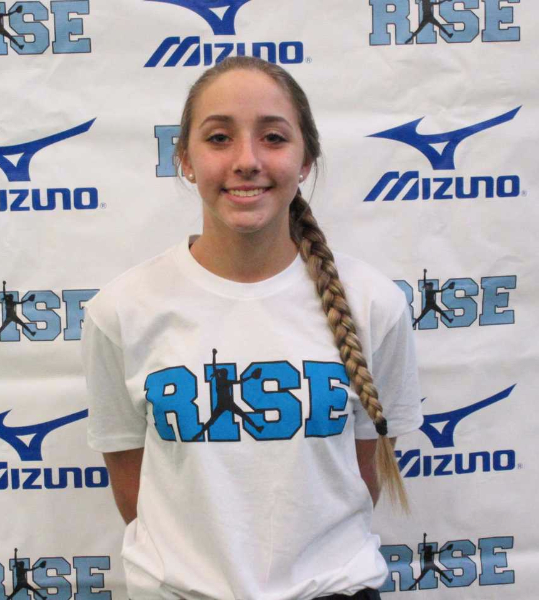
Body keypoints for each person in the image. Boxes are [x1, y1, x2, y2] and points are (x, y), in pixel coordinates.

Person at [82, 56, 423, 600]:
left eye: (273, 138)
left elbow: (360, 475)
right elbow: (132, 485)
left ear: (305, 159)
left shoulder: (373, 304)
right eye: (219, 138)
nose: (247, 161)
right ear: (185, 158)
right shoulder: (122, 310)